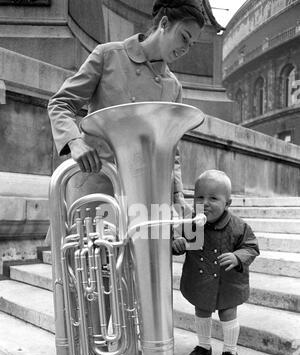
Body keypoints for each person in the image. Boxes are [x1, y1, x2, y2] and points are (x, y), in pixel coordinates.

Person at [47, 0, 222, 210]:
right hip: (96, 184)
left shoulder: (173, 87)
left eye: (191, 44)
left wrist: (177, 196)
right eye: (184, 37)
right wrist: (75, 142)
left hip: (142, 197)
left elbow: (171, 150)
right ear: (164, 24)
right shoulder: (108, 55)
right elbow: (61, 103)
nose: (185, 49)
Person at [172, 170, 260, 355]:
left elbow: (251, 247)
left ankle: (230, 351)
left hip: (227, 282)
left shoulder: (239, 226)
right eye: (200, 197)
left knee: (228, 313)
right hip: (201, 279)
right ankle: (204, 346)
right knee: (201, 310)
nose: (206, 203)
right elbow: (176, 239)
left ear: (227, 203)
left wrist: (238, 256)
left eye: (213, 198)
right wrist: (177, 244)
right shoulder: (190, 223)